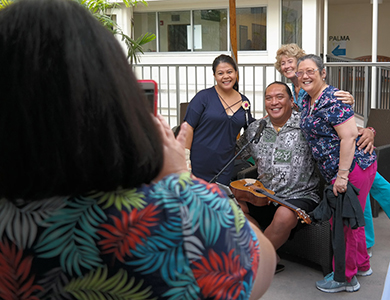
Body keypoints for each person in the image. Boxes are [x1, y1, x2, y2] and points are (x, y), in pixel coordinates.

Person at [0, 0, 276, 299]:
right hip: (203, 164)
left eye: (230, 72)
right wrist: (179, 180)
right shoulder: (181, 212)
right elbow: (260, 267)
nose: (226, 76)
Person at [297, 54, 377, 293]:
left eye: (310, 71)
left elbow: (349, 136)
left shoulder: (333, 99)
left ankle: (346, 278)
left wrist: (342, 176)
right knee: (353, 218)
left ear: (323, 73)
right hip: (346, 167)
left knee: (343, 223)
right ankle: (362, 264)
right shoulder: (306, 98)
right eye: (301, 72)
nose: (304, 76)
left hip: (352, 168)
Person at [236, 81, 320, 274]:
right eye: (268, 98)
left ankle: (255, 260)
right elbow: (234, 151)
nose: (274, 102)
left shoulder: (307, 124)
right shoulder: (256, 128)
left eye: (280, 97)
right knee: (232, 208)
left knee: (283, 214)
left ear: (292, 101)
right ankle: (271, 256)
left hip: (300, 195)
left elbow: (341, 134)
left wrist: (368, 131)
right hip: (264, 196)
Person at [184, 54, 255, 185]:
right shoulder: (203, 97)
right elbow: (188, 127)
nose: (226, 76)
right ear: (215, 76)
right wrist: (185, 160)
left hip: (225, 165)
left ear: (236, 73)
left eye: (229, 72)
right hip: (198, 163)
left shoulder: (244, 101)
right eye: (220, 73)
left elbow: (251, 127)